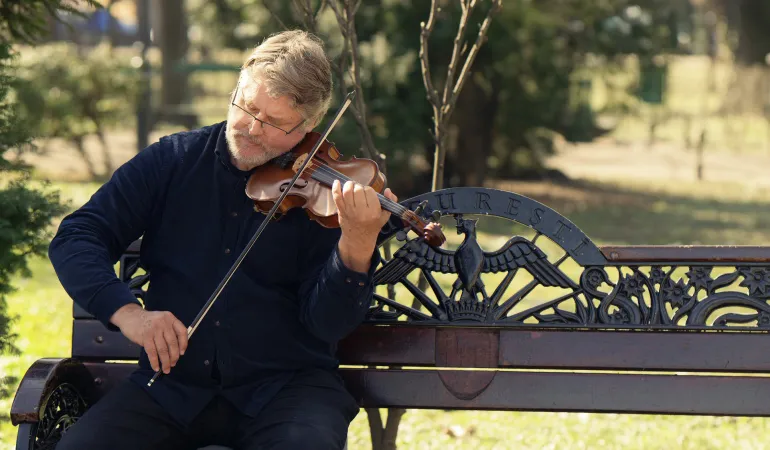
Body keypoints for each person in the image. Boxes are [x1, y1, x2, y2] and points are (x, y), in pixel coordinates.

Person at [50, 30, 396, 450]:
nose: (251, 128)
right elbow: (77, 235)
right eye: (247, 106)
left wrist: (356, 245)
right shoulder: (172, 161)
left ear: (309, 127)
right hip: (170, 388)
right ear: (236, 86)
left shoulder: (326, 196)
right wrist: (129, 314)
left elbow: (326, 323)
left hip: (289, 392)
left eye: (275, 123)